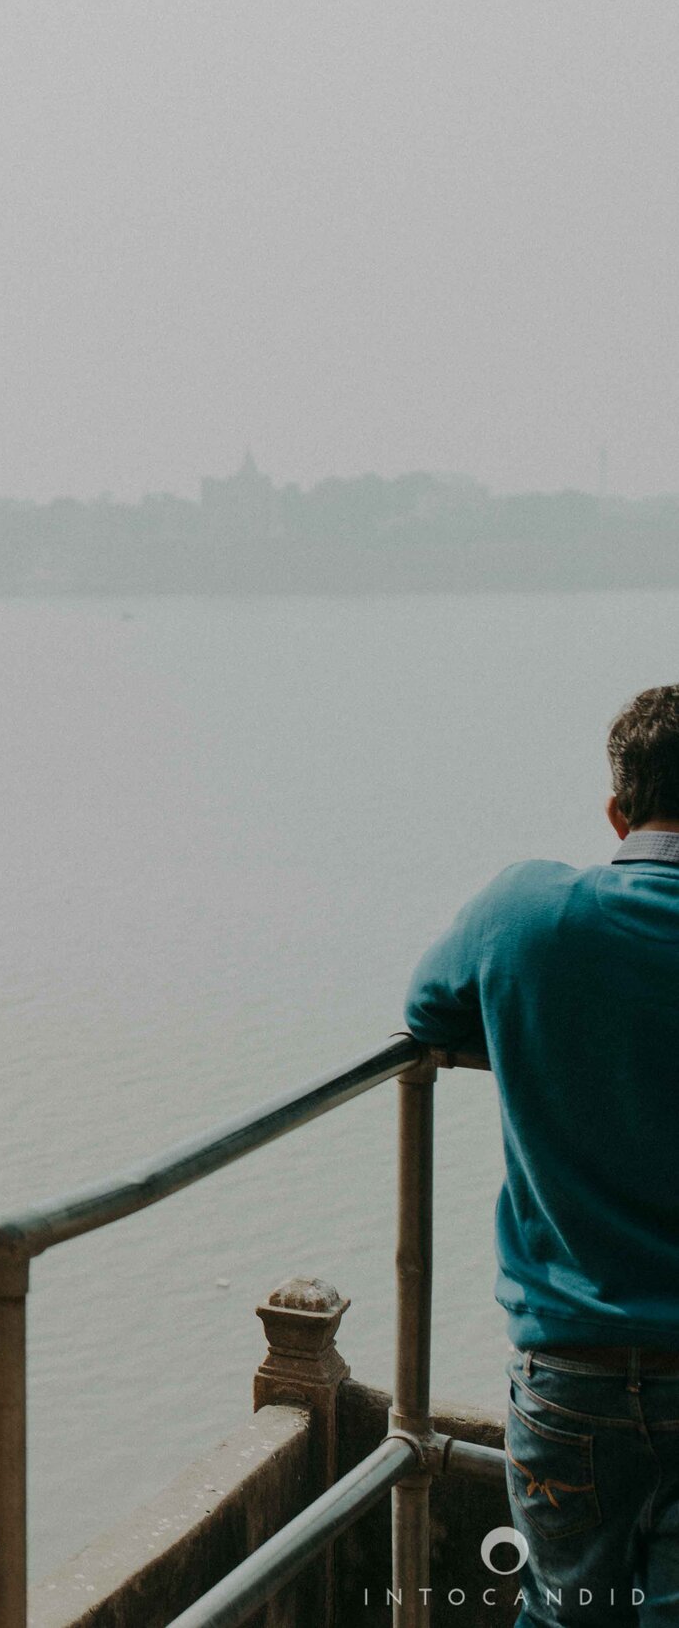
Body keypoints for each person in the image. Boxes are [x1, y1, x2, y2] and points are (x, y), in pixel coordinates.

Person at [407, 683, 679, 1619]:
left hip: (572, 1367)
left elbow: (427, 1008)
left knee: (567, 1612)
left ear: (617, 809)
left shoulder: (527, 910)